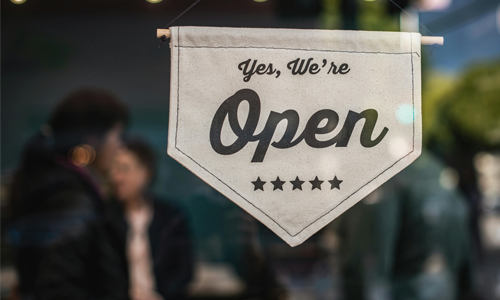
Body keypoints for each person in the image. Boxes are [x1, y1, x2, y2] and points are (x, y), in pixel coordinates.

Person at [37, 137, 193, 300]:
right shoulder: (104, 218)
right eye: (114, 170)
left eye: (125, 169)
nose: (117, 178)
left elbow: (182, 271)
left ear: (145, 173)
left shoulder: (171, 217)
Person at [7, 89, 129, 299]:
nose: (120, 146)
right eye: (116, 136)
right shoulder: (71, 200)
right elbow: (58, 284)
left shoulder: (55, 185)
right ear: (93, 139)